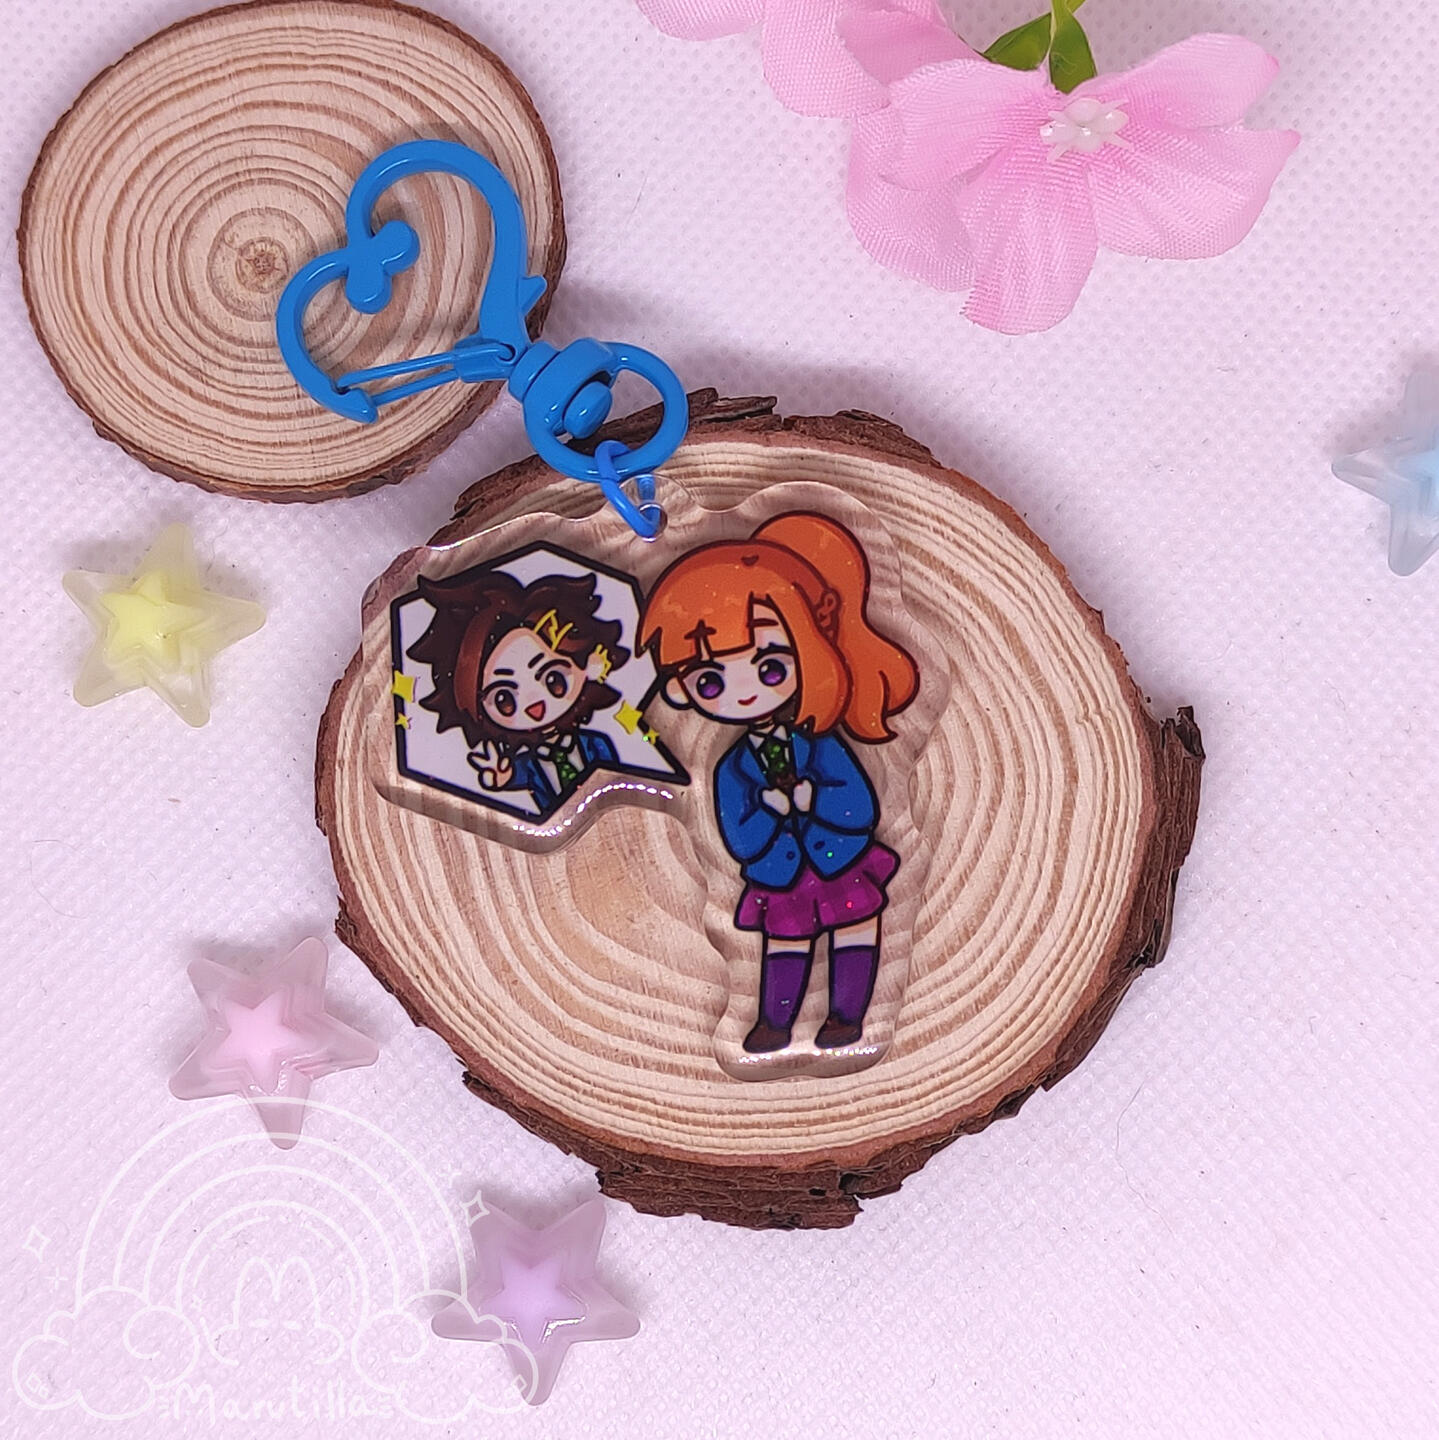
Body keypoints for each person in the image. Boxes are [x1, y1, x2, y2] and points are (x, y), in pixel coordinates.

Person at [640, 512, 919, 1052]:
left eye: (770, 667)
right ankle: (774, 1023)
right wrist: (767, 811)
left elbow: (861, 805)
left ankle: (848, 1017)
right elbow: (737, 834)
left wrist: (815, 799)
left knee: (856, 930)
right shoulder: (731, 766)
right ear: (678, 691)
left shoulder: (822, 742)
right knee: (784, 945)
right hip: (779, 873)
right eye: (711, 680)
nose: (746, 692)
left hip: (841, 858)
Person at [410, 565, 628, 819]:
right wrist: (501, 778)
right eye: (504, 700)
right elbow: (515, 776)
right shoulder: (527, 764)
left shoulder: (596, 744)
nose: (533, 702)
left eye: (553, 679)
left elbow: (619, 775)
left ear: (588, 665)